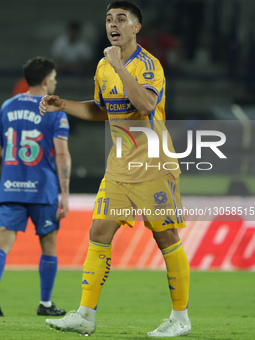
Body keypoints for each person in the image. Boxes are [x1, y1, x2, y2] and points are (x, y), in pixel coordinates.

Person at [39, 1, 191, 337]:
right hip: (120, 167)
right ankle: (85, 314)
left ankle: (180, 318)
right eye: (109, 19)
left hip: (153, 165)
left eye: (122, 19)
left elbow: (147, 104)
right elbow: (102, 111)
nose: (113, 24)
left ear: (136, 27)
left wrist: (121, 67)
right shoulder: (103, 66)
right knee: (99, 232)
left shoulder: (148, 66)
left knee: (165, 235)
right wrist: (62, 104)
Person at [0, 57, 71, 317]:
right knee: (48, 242)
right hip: (43, 189)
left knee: (2, 243)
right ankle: (46, 303)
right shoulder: (54, 111)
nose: (54, 82)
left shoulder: (7, 107)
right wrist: (64, 193)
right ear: (44, 80)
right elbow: (62, 155)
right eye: (53, 78)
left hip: (11, 186)